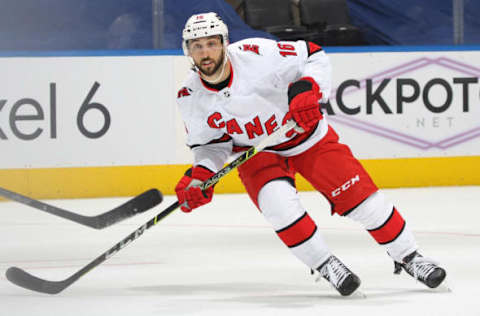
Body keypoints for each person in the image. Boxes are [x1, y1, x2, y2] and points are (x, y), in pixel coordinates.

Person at [174, 12, 447, 296]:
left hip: (308, 139)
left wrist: (307, 89)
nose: (205, 52)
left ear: (224, 43)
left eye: (211, 43)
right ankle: (326, 264)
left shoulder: (257, 53)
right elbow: (211, 145)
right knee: (280, 209)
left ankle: (411, 257)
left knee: (365, 203)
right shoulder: (189, 96)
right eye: (197, 45)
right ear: (188, 50)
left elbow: (313, 55)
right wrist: (202, 176)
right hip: (258, 154)